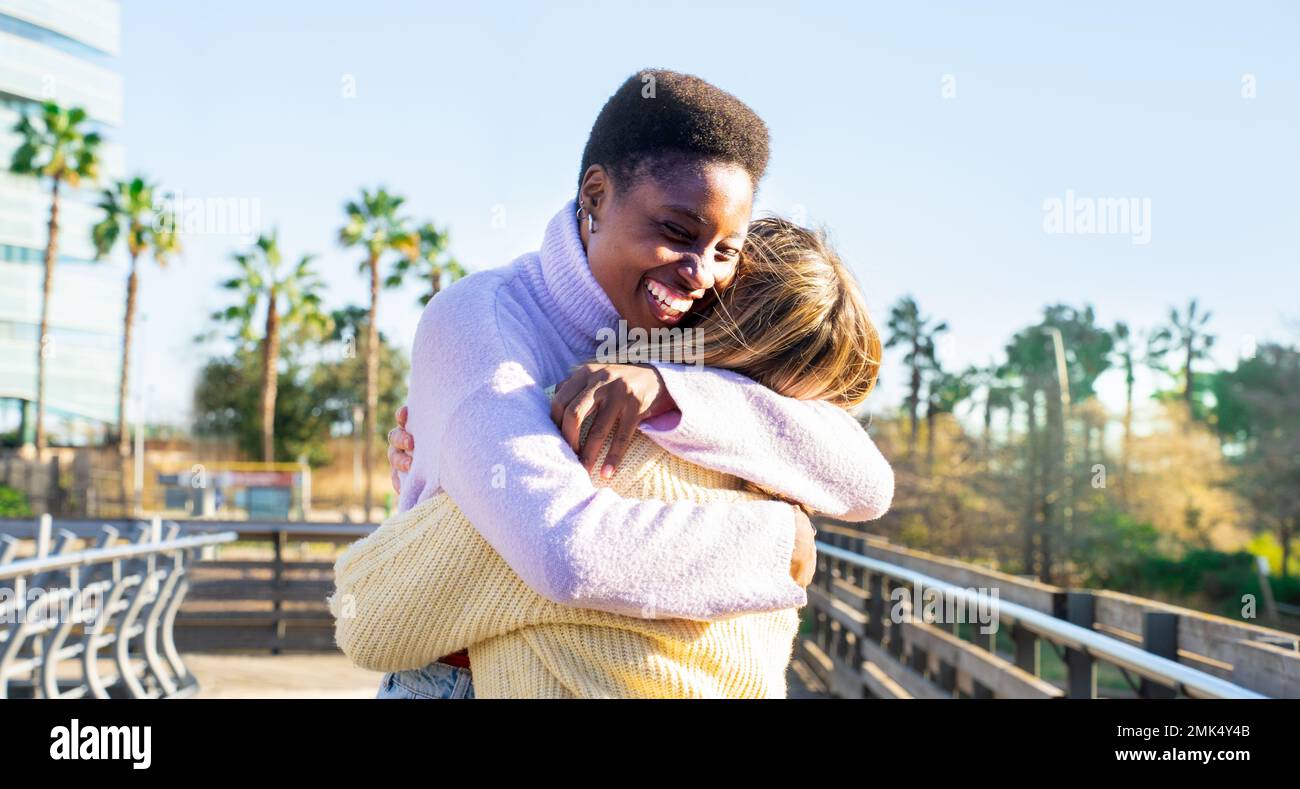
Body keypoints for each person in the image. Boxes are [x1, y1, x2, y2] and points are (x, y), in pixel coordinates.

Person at [340, 69, 892, 698]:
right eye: (677, 233)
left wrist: (666, 392)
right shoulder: (480, 320)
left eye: (725, 250)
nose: (700, 273)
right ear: (596, 196)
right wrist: (774, 545)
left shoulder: (680, 330)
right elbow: (566, 551)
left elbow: (864, 482)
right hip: (465, 676)